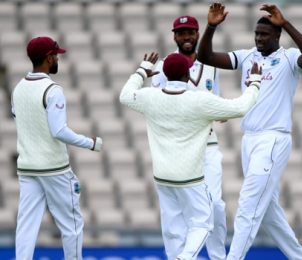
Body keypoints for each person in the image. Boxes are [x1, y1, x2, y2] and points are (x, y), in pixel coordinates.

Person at [197, 3, 302, 260]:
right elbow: (205, 57)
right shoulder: (248, 56)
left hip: (273, 139)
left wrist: (285, 23)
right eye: (256, 34)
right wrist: (210, 27)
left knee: (248, 205)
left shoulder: (288, 59)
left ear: (277, 36)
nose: (259, 39)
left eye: (264, 35)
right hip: (249, 140)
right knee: (269, 213)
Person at [120, 52, 261, 259]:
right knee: (203, 223)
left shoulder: (150, 96)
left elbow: (124, 95)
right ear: (187, 75)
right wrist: (254, 84)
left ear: (165, 75)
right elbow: (240, 108)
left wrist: (141, 71)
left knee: (172, 227)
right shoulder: (200, 100)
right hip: (190, 178)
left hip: (162, 176)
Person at [11, 36, 103, 260]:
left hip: (28, 167)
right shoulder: (52, 89)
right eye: (56, 56)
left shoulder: (18, 87)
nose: (57, 60)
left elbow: (21, 118)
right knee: (71, 224)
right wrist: (90, 143)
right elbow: (58, 131)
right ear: (48, 58)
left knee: (26, 225)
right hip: (54, 168)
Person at [151, 15, 227, 259]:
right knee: (174, 214)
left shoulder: (212, 65)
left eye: (190, 32)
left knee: (215, 205)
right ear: (173, 36)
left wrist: (220, 111)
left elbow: (216, 103)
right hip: (176, 150)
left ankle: (218, 257)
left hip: (207, 145)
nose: (186, 37)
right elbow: (155, 104)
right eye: (181, 33)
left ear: (197, 34)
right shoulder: (163, 66)